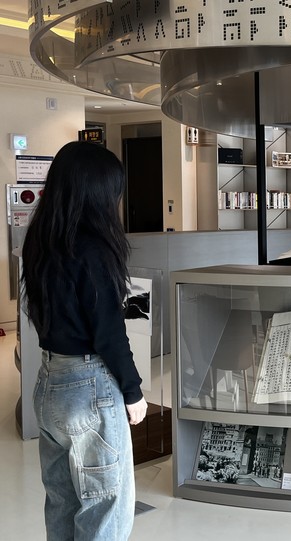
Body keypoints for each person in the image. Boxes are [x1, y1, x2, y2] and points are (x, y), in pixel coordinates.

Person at [22, 141, 148, 540]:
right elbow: (108, 332)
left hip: (49, 385)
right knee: (106, 508)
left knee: (62, 500)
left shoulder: (40, 241)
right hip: (89, 389)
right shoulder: (95, 249)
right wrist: (133, 392)